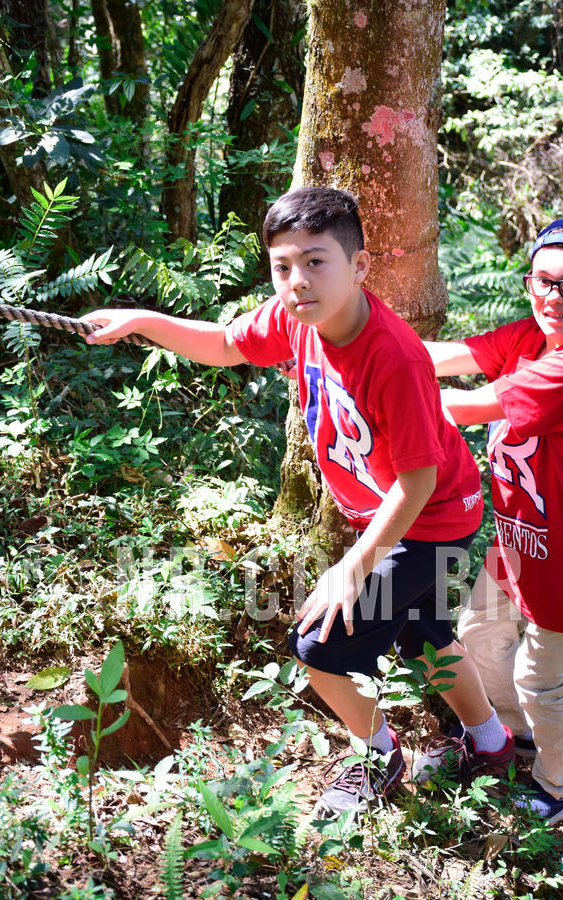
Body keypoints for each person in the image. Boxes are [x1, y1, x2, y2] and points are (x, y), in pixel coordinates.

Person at [81, 186, 513, 817]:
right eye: (282, 266)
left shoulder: (393, 357)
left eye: (316, 261)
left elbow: (416, 482)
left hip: (433, 517)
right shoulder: (296, 315)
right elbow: (227, 345)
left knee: (321, 648)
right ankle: (489, 742)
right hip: (406, 511)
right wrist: (141, 322)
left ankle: (377, 757)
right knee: (425, 635)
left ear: (359, 266)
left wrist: (353, 566)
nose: (296, 281)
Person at [421, 218, 563, 825]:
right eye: (545, 281)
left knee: (542, 682)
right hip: (515, 546)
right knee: (478, 639)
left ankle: (557, 785)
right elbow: (446, 358)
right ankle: (513, 741)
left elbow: (467, 404)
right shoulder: (527, 338)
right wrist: (348, 341)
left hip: (559, 566)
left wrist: (379, 387)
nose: (553, 298)